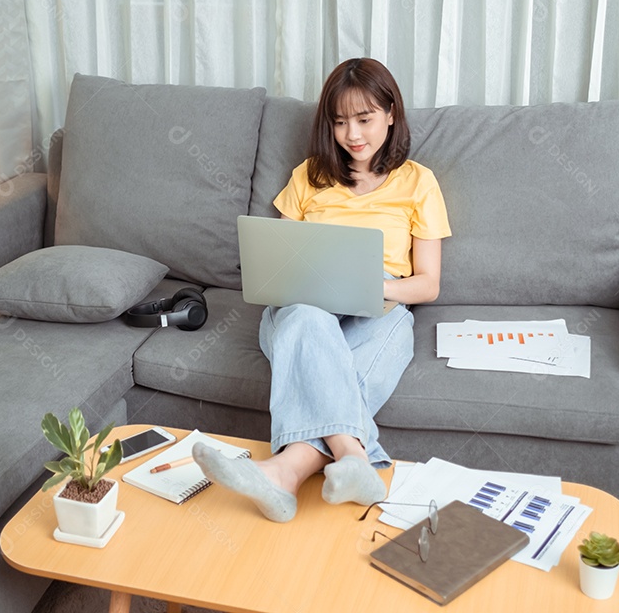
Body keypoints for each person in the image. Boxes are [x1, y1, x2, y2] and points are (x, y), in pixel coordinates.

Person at [192, 58, 451, 522]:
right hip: (303, 305)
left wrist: (374, 285)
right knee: (307, 319)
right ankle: (353, 457)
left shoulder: (419, 181)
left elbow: (428, 284)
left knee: (351, 356)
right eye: (340, 121)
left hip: (382, 304)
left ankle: (283, 474)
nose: (353, 134)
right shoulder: (309, 175)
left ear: (392, 113)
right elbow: (277, 258)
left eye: (365, 119)